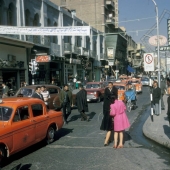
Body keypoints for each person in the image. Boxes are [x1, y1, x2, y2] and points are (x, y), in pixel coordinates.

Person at [100, 82, 118, 146]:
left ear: (112, 85)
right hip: (107, 108)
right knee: (109, 125)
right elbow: (105, 99)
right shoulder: (106, 90)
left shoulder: (115, 89)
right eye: (109, 85)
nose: (109, 86)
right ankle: (108, 139)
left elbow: (116, 97)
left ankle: (109, 139)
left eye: (110, 85)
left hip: (112, 107)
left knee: (111, 126)